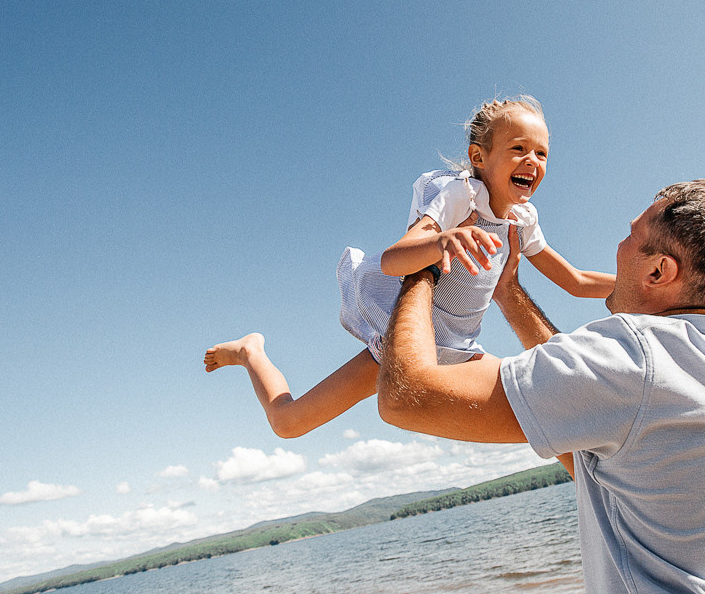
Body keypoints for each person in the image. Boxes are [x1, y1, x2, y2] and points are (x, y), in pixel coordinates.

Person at [376, 179, 705, 594]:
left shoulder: (635, 357)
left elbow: (405, 395)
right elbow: (595, 430)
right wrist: (509, 293)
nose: (619, 247)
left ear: (658, 272)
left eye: (631, 236)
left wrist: (427, 262)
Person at [203, 95, 614, 441]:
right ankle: (250, 351)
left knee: (554, 413)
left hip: (462, 352)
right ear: (479, 157)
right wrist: (442, 240)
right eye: (519, 149)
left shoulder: (523, 220)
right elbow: (394, 258)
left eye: (541, 153)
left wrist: (648, 287)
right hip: (402, 345)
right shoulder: (461, 197)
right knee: (289, 423)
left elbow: (575, 281)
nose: (532, 161)